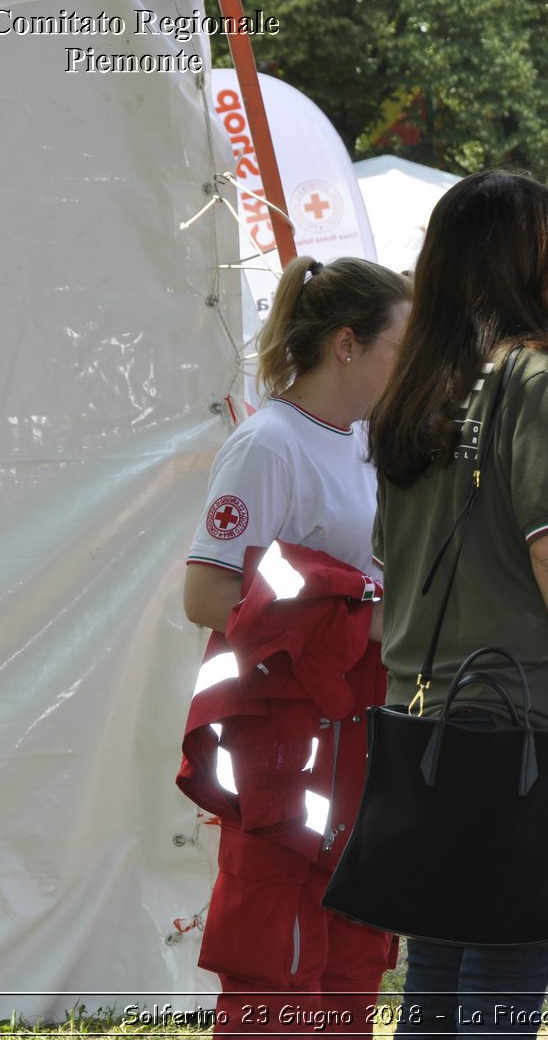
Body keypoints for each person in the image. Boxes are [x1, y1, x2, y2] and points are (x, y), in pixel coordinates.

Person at [364, 169, 548, 1038]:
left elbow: (390, 553)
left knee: (438, 980)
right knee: (498, 982)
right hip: (520, 710)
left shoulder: (413, 384)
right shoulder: (532, 379)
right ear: (523, 269)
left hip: (421, 707)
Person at [181, 255, 412, 1036]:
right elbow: (207, 594)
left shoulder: (364, 438)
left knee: (351, 962)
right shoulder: (269, 444)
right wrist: (365, 616)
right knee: (274, 973)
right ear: (347, 344)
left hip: (354, 733)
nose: (409, 365)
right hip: (288, 742)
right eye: (399, 346)